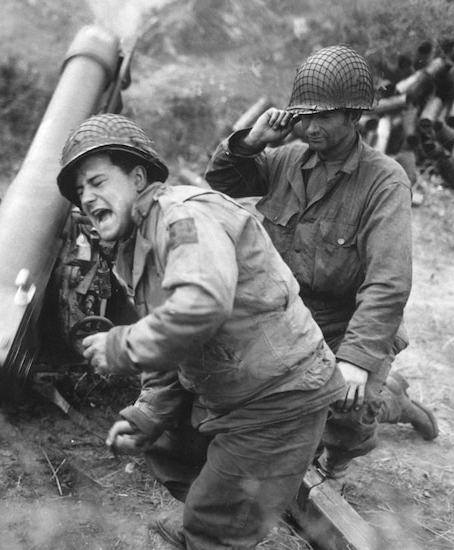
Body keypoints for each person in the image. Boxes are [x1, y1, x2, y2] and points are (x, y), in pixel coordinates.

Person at [57, 113, 346, 549]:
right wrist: (148, 413)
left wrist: (121, 345)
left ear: (138, 178)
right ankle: (220, 512)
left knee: (212, 528)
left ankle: (218, 528)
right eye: (80, 191)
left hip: (279, 398)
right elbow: (171, 342)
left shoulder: (182, 219)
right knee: (165, 446)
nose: (87, 198)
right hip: (234, 389)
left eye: (97, 181)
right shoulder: (137, 245)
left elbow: (202, 306)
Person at [205, 45, 438, 480]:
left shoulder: (385, 181)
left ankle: (390, 405)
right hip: (286, 315)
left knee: (347, 410)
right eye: (304, 116)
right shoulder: (286, 160)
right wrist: (252, 142)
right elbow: (220, 182)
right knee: (239, 387)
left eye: (324, 117)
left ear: (353, 116)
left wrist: (356, 358)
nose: (310, 127)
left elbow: (388, 283)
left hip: (345, 322)